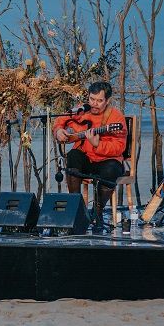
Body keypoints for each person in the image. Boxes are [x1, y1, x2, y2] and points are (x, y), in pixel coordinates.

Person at [53, 81, 127, 231]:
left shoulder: (116, 117)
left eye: (99, 101)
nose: (94, 104)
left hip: (106, 160)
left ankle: (97, 213)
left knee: (112, 169)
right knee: (73, 155)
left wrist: (97, 145)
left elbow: (119, 147)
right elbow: (60, 120)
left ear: (107, 101)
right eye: (92, 99)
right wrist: (58, 130)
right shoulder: (81, 110)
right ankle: (77, 209)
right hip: (86, 158)